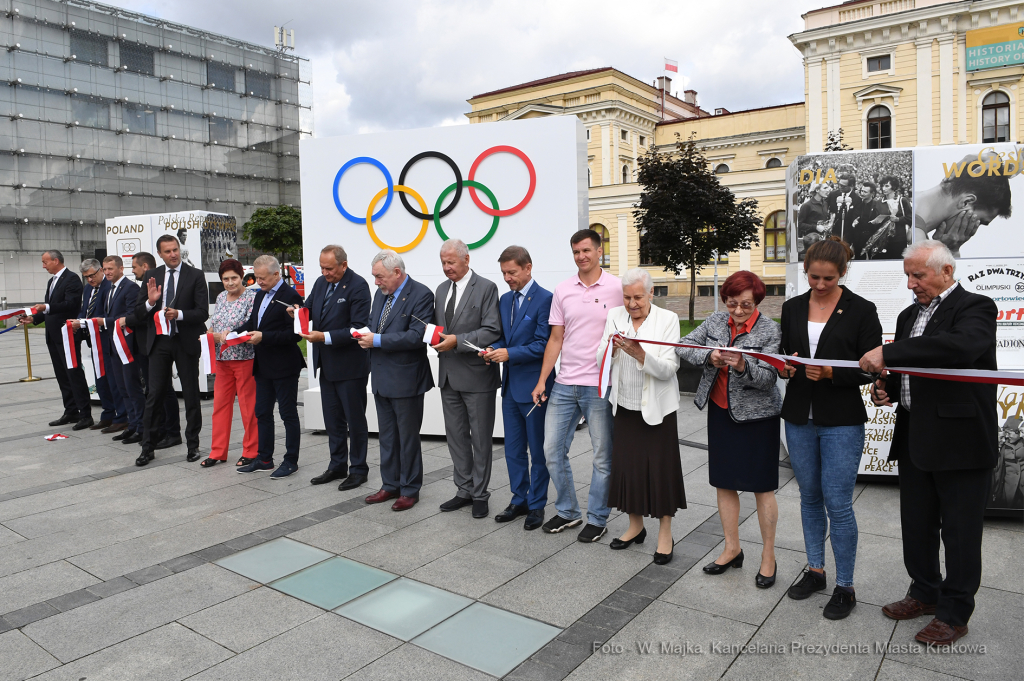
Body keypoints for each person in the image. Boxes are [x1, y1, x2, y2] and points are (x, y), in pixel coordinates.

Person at [861, 240, 998, 646]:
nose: (910, 284)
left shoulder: (975, 307)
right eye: (907, 275)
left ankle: (954, 613)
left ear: (946, 272)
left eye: (917, 275)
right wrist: (886, 388)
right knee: (916, 526)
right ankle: (923, 592)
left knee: (959, 532)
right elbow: (907, 368)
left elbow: (960, 348)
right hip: (914, 437)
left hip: (961, 443)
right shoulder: (907, 316)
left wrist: (888, 352)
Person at [778, 238, 882, 620]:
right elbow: (786, 353)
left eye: (829, 278)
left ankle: (846, 586)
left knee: (838, 503)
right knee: (808, 497)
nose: (820, 285)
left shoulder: (862, 310)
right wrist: (784, 366)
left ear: (843, 273)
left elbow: (871, 366)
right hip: (799, 414)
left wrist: (833, 372)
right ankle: (816, 571)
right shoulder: (791, 307)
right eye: (813, 277)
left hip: (841, 419)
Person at [675, 271, 782, 586]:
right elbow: (682, 345)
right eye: (732, 303)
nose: (737, 311)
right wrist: (711, 355)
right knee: (724, 483)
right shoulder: (715, 321)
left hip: (758, 417)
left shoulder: (769, 330)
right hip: (721, 412)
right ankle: (732, 548)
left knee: (763, 487)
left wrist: (741, 365)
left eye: (745, 305)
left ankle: (768, 555)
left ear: (757, 301)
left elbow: (769, 377)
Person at [531, 229, 623, 542]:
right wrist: (544, 379)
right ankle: (569, 511)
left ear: (599, 251)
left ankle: (598, 518)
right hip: (564, 383)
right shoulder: (563, 290)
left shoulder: (617, 288)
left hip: (600, 385)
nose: (581, 256)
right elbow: (556, 338)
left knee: (602, 456)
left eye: (586, 250)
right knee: (551, 451)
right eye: (576, 252)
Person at [597, 269, 684, 565]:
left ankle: (665, 533)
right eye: (627, 297)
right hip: (624, 405)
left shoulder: (667, 319)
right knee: (628, 469)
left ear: (651, 293)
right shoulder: (615, 316)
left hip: (657, 409)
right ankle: (635, 527)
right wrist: (611, 347)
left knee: (660, 471)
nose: (632, 303)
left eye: (637, 297)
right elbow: (599, 358)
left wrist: (639, 354)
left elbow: (669, 368)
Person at [357, 250, 435, 511]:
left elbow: (416, 336)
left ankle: (410, 489)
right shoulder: (381, 295)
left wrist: (376, 340)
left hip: (407, 379)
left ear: (397, 273)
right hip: (381, 377)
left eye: (380, 277)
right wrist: (363, 335)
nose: (376, 283)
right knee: (388, 437)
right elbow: (373, 324)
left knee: (408, 438)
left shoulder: (421, 294)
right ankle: (390, 485)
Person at [482, 246, 554, 531]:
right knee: (512, 450)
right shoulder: (505, 300)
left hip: (536, 386)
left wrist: (508, 354)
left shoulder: (546, 299)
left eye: (512, 272)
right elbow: (504, 338)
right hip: (510, 387)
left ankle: (537, 505)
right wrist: (492, 349)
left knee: (537, 450)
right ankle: (518, 499)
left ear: (528, 268)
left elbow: (543, 344)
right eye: (503, 273)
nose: (507, 278)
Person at [432, 239, 502, 519]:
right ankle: (464, 490)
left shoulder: (486, 288)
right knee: (456, 438)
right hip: (448, 375)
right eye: (443, 262)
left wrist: (456, 341)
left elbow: (491, 330)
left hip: (477, 377)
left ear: (466, 260)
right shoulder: (440, 290)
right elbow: (440, 328)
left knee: (481, 440)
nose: (446, 267)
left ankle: (480, 494)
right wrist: (434, 338)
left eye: (451, 262)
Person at [295, 245, 372, 491]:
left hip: (350, 366)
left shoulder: (358, 286)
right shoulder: (320, 283)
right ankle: (337, 464)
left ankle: (359, 469)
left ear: (343, 265)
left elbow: (358, 327)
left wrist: (324, 337)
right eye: (322, 267)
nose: (325, 272)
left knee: (354, 420)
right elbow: (308, 307)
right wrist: (296, 312)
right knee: (333, 420)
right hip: (326, 365)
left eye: (329, 268)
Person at [132, 235, 209, 466]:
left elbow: (202, 312)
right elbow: (138, 312)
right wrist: (150, 302)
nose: (173, 254)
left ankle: (193, 445)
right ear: (160, 254)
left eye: (175, 250)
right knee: (154, 394)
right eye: (167, 251)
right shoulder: (151, 276)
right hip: (159, 342)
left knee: (191, 393)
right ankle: (148, 447)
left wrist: (180, 314)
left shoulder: (195, 275)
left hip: (185, 340)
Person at [235, 255, 305, 478]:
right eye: (256, 277)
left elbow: (295, 335)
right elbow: (254, 323)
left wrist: (264, 337)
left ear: (276, 275)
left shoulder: (291, 296)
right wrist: (234, 333)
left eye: (263, 278)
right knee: (262, 412)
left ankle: (291, 460)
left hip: (284, 365)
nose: (259, 282)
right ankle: (264, 458)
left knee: (287, 413)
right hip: (263, 364)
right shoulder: (260, 295)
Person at [20, 250, 91, 429]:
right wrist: (34, 319)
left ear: (56, 260)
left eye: (45, 262)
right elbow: (50, 310)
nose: (43, 266)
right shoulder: (52, 281)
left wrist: (47, 306)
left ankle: (85, 414)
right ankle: (71, 411)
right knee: (62, 375)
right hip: (53, 336)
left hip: (67, 335)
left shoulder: (72, 279)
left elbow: (70, 304)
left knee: (73, 373)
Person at [203, 259, 258, 468]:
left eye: (234, 278)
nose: (230, 283)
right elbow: (216, 321)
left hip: (244, 358)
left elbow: (248, 325)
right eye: (225, 279)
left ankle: (251, 451)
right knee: (220, 406)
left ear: (242, 276)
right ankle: (217, 451)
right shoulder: (220, 297)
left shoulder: (251, 297)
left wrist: (227, 334)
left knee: (248, 407)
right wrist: (209, 333)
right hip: (222, 359)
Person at [124, 252, 180, 449]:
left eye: (134, 267)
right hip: (147, 345)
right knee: (156, 390)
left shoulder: (157, 286)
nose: (132, 271)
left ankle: (170, 431)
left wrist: (124, 320)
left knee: (163, 391)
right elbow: (141, 311)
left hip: (155, 344)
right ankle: (160, 430)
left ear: (146, 267)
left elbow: (139, 317)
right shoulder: (144, 287)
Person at [913, 150, 1011, 257]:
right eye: (980, 221)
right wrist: (951, 253)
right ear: (966, 202)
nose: (974, 230)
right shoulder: (916, 247)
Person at [73, 259, 126, 432]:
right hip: (93, 340)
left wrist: (87, 322)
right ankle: (108, 413)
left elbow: (107, 313)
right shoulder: (88, 288)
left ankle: (121, 416)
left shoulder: (108, 286)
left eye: (92, 275)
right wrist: (79, 322)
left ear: (100, 271)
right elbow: (84, 309)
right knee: (100, 379)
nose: (89, 280)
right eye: (86, 277)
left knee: (112, 379)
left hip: (107, 338)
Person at [100, 256, 146, 445]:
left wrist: (102, 322)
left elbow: (130, 316)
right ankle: (132, 425)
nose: (107, 272)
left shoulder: (130, 288)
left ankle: (141, 427)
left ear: (121, 268)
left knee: (132, 388)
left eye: (110, 269)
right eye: (104, 269)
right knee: (122, 388)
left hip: (128, 346)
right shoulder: (108, 289)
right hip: (114, 346)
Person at [861, 176, 913, 260]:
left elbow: (911, 218)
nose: (883, 188)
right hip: (882, 241)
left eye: (886, 186)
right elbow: (873, 220)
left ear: (894, 187)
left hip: (899, 240)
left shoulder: (902, 200)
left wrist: (898, 219)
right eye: (882, 186)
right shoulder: (878, 203)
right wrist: (874, 221)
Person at [797, 183, 832, 259]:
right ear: (817, 190)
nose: (828, 190)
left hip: (824, 240)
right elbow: (799, 224)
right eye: (825, 188)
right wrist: (815, 227)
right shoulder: (807, 205)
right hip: (812, 242)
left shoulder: (825, 204)